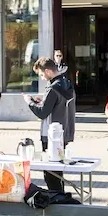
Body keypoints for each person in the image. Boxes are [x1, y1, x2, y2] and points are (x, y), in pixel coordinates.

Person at [25, 57, 76, 193]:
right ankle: (60, 197)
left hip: (51, 134)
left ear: (48, 71)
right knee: (58, 172)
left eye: (41, 75)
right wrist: (43, 101)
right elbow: (57, 104)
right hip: (64, 131)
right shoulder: (67, 83)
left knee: (50, 174)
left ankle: (57, 202)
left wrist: (29, 102)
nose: (42, 78)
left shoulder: (53, 88)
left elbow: (42, 113)